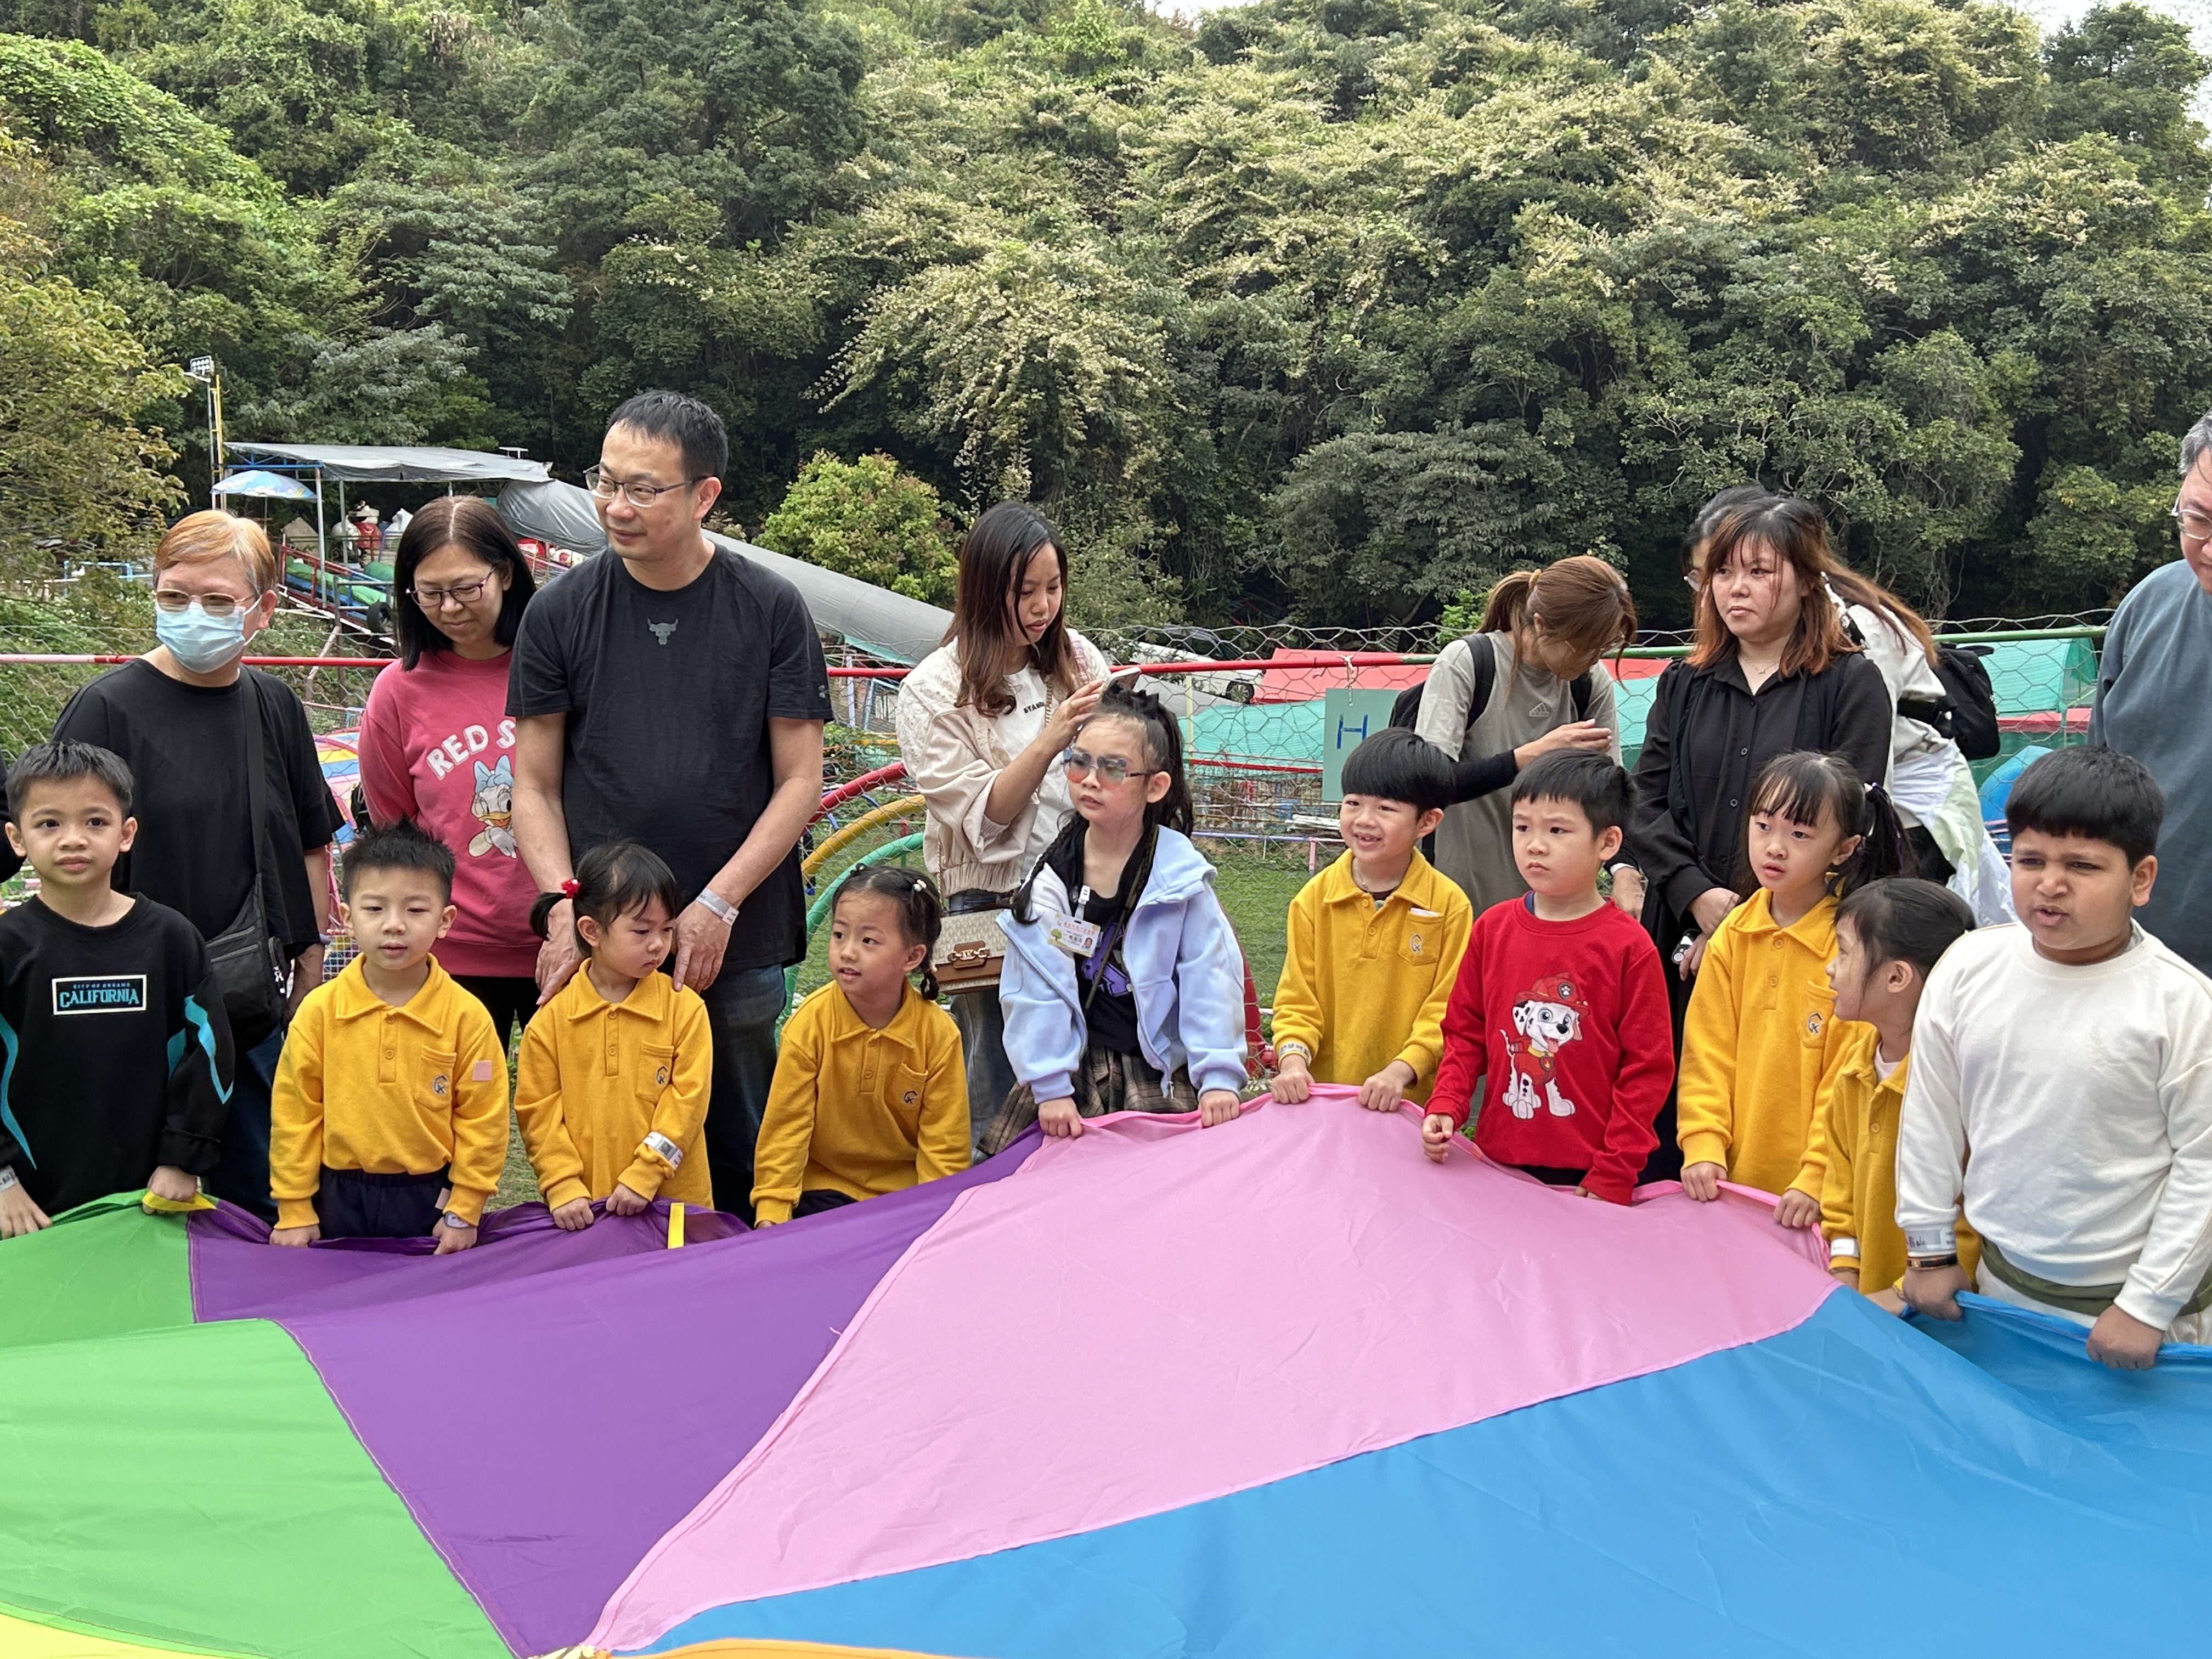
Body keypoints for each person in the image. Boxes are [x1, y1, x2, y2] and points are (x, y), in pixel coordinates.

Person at [509, 391, 831, 1218]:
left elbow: (800, 779)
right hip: (606, 937)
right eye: (606, 481)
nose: (616, 506)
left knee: (741, 1137)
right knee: (608, 1149)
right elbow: (534, 786)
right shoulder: (560, 610)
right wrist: (562, 908)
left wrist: (718, 903)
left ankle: (750, 1274)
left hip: (737, 933)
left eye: (644, 488)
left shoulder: (770, 608)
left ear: (704, 495)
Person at [54, 511, 345, 1220]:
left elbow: (309, 841)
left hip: (249, 1014)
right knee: (132, 1212)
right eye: (174, 596)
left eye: (217, 601)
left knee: (265, 1208)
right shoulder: (104, 710)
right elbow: (56, 856)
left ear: (262, 610)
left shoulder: (273, 707)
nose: (193, 614)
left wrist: (311, 963)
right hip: (132, 1014)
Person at [1899, 747, 2212, 1368]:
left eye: (2083, 865)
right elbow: (1932, 1114)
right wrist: (1929, 1250)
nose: (2050, 884)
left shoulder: (2183, 1006)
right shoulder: (1968, 966)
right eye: (2031, 860)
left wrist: (2148, 1304)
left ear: (2141, 879)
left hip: (2142, 1325)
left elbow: (2204, 1167)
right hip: (2001, 1296)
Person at [1627, 494, 1891, 1180]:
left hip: (1798, 941)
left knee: (1775, 1111)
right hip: (1680, 929)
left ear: (1806, 579)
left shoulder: (1851, 684)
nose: (1734, 589)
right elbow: (1644, 798)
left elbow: (1845, 818)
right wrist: (1695, 894)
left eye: (1758, 571)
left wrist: (1743, 915)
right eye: (1722, 572)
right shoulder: (1685, 682)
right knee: (1676, 1111)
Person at [1681, 486, 2010, 921]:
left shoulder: (1856, 632)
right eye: (1713, 573)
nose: (1724, 590)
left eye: (1755, 568)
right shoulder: (1712, 667)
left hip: (1907, 809)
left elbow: (1868, 779)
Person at [893, 503, 1110, 1152]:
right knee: (996, 1064)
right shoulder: (934, 690)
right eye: (1025, 592)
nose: (1043, 607)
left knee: (1092, 1041)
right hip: (993, 907)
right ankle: (991, 1185)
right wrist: (1051, 738)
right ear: (986, 590)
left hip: (1082, 895)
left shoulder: (1078, 659)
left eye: (1054, 586)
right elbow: (982, 821)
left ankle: (1081, 1180)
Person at [984, 680, 1246, 1150]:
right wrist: (1050, 1086)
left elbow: (1211, 979)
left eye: (1113, 768)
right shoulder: (1052, 879)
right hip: (1071, 1072)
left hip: (1158, 1071)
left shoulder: (1181, 880)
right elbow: (1036, 986)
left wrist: (1218, 1075)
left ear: (1155, 786)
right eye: (1079, 761)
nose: (1090, 779)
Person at [0, 743, 232, 1234]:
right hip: (29, 1206)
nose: (73, 840)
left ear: (126, 834)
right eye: (49, 824)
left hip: (151, 1196)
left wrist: (183, 1158)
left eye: (95, 822)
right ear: (17, 838)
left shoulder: (171, 938)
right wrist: (3, 1179)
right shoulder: (7, 946)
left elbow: (210, 1054)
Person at [1420, 753, 1673, 1203]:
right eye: (1522, 827)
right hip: (1497, 1160)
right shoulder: (1492, 929)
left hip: (1589, 1178)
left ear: (1608, 842)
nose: (1535, 845)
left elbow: (1647, 1070)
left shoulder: (1630, 947)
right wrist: (1448, 1103)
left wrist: (1614, 1170)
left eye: (1557, 831)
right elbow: (1465, 1032)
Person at [1676, 751, 1903, 1220]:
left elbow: (1849, 1073)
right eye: (1763, 826)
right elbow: (1706, 1051)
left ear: (1844, 849)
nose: (1775, 847)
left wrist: (1818, 1173)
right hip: (1730, 1183)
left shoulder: (1851, 948)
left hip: (1825, 1196)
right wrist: (1703, 1142)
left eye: (1799, 834)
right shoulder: (1734, 934)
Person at [268, 820, 508, 1251]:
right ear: (347, 918)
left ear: (445, 920)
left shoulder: (467, 1018)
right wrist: (295, 1207)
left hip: (429, 1197)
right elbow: (295, 1116)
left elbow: (483, 1120)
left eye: (415, 911)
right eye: (375, 909)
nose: (394, 925)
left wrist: (464, 1207)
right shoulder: (319, 1013)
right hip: (336, 1195)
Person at [358, 497, 543, 1049]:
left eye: (466, 588)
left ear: (504, 573)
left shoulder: (557, 667)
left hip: (562, 941)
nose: (450, 607)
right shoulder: (398, 690)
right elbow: (396, 829)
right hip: (451, 953)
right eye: (430, 593)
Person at [1412, 557, 1632, 912]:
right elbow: (1429, 783)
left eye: (1604, 648)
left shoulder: (1591, 682)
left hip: (1553, 907)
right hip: (1459, 899)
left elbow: (1613, 794)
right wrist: (1527, 757)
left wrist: (1624, 869)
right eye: (1585, 646)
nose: (1593, 659)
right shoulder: (1469, 662)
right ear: (1541, 625)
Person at [1269, 730, 1472, 1112]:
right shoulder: (1314, 900)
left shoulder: (1450, 906)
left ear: (1427, 822)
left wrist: (1399, 1072)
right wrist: (1293, 1063)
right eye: (1353, 803)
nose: (1364, 820)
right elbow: (1298, 999)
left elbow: (1445, 1010)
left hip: (1408, 1107)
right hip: (1324, 1102)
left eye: (1385, 809)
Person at [753, 866, 968, 1224]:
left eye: (868, 941)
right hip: (822, 1189)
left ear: (912, 957)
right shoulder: (810, 1024)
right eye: (839, 935)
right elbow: (785, 1130)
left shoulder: (938, 1035)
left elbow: (945, 1146)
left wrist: (936, 1219)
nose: (847, 952)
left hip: (906, 1197)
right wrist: (771, 1212)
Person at [514, 842, 712, 1228]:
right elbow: (538, 1112)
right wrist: (561, 1183)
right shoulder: (550, 1022)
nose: (658, 944)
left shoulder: (685, 1010)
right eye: (642, 930)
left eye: (668, 929)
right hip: (586, 1212)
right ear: (591, 930)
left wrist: (647, 1173)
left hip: (674, 1210)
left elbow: (688, 1103)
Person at [2089, 408, 2212, 977]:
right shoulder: (2149, 605)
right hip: (2144, 962)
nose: (2208, 548)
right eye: (2198, 520)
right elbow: (2096, 784)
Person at [1819, 877, 1979, 1311]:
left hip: (1934, 1317)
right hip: (1868, 1307)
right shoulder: (1855, 1066)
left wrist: (1899, 1296)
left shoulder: (1959, 1088)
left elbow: (1972, 1224)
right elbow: (1840, 1189)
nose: (1830, 968)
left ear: (1896, 977)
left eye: (1844, 952)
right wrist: (1845, 1269)